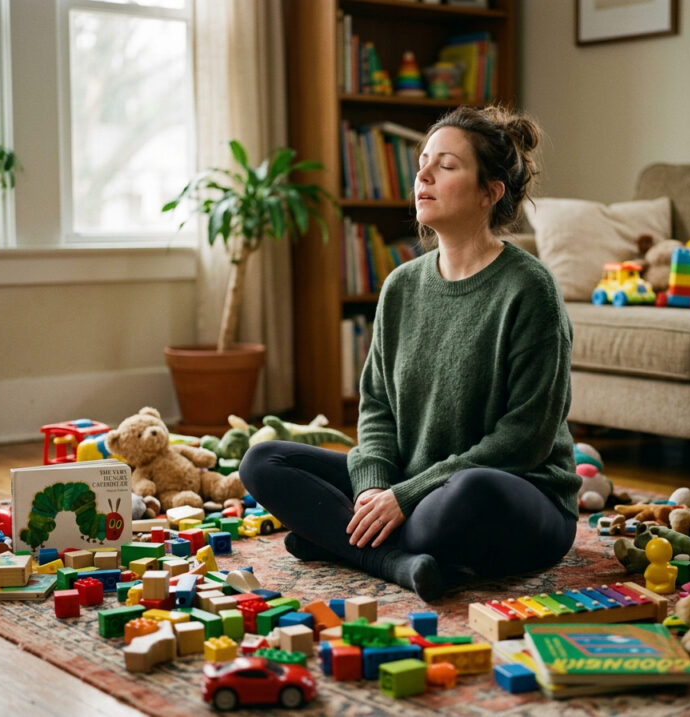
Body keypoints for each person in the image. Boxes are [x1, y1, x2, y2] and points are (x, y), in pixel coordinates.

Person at [240, 105, 581, 602]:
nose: (422, 174)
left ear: (491, 192)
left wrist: (404, 496)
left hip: (517, 496)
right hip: (414, 487)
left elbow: (523, 441)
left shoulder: (530, 289)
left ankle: (341, 541)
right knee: (263, 460)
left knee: (467, 493)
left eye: (446, 165)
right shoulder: (401, 286)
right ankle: (396, 559)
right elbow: (376, 407)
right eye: (423, 161)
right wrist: (373, 489)